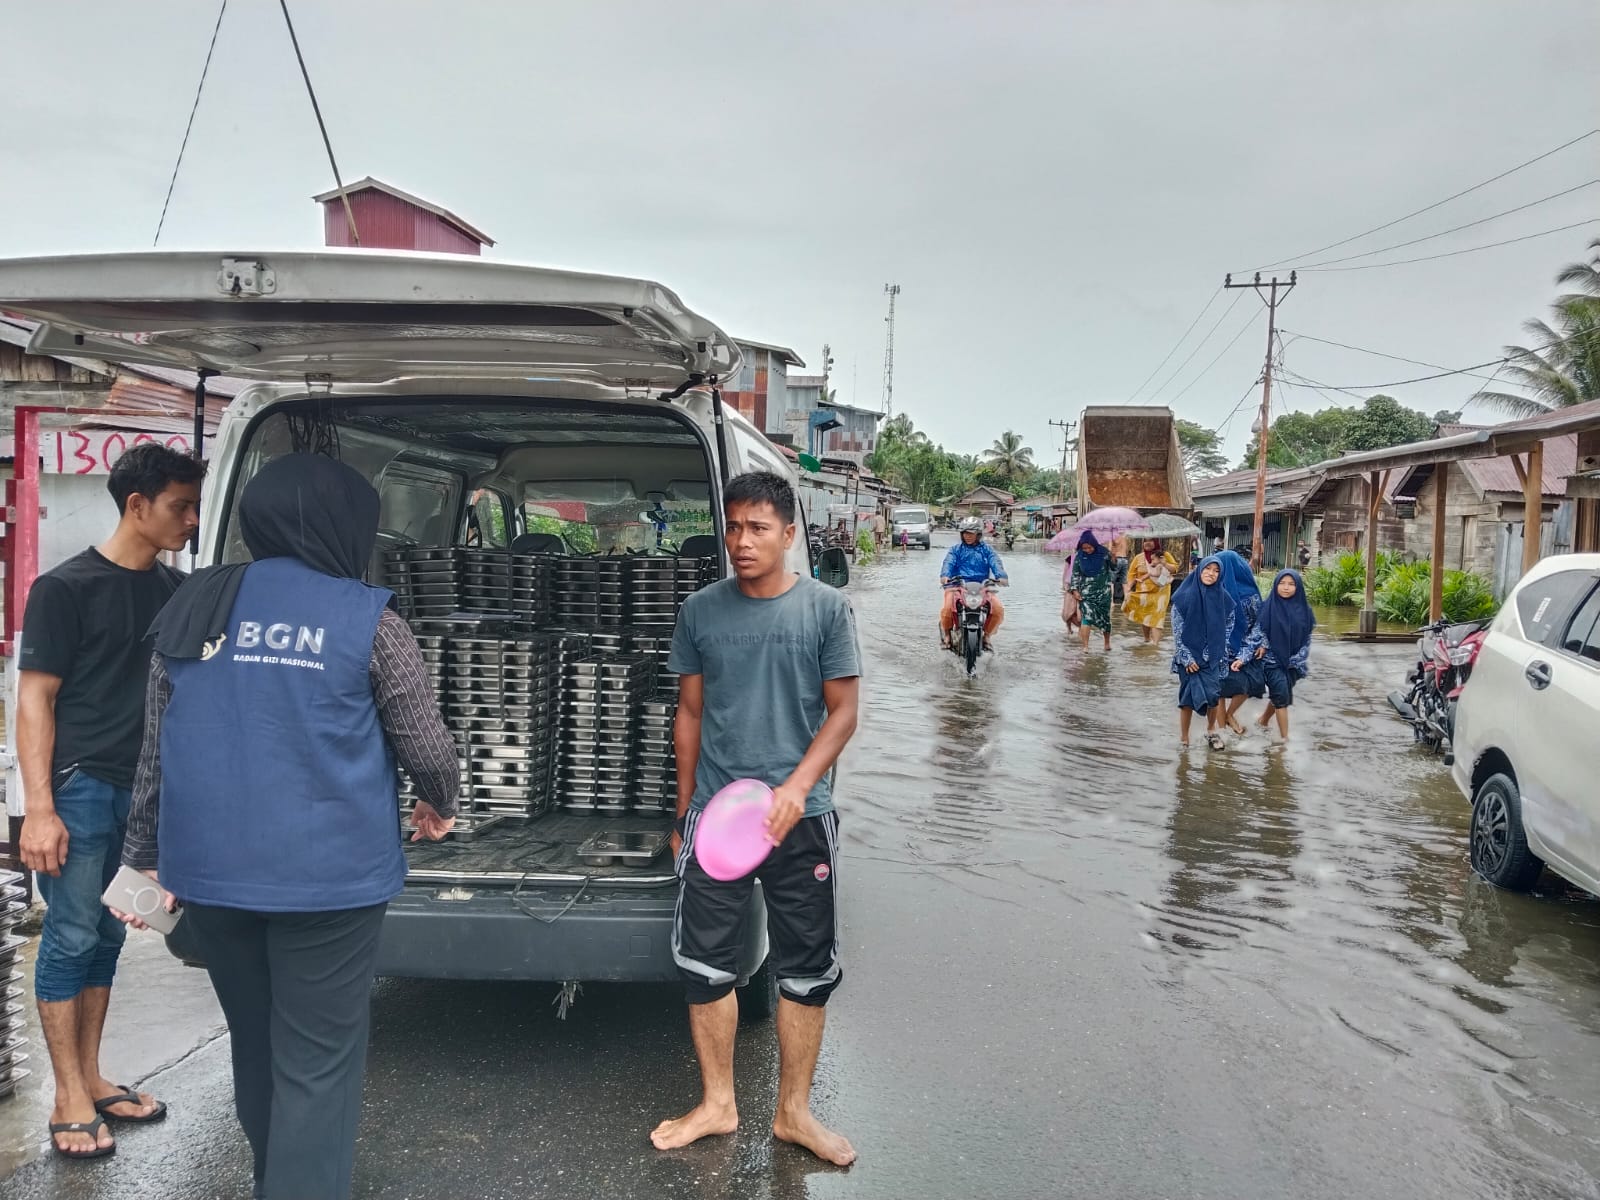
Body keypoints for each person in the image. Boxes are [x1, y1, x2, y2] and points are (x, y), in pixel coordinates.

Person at [116, 454, 459, 1200]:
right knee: (318, 1063)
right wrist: (441, 798)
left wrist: (141, 856)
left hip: (211, 875)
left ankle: (276, 1178)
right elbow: (425, 742)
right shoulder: (368, 617)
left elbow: (156, 746)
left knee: (259, 1046)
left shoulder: (195, 604)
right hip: (328, 883)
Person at [654, 470, 861, 1166]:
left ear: (790, 534)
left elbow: (844, 712)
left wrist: (801, 784)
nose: (742, 542)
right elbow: (689, 713)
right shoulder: (700, 612)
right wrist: (684, 810)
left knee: (804, 969)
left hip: (800, 822)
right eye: (733, 528)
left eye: (759, 529)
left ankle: (794, 1113)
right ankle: (717, 1103)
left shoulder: (826, 611)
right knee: (705, 966)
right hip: (719, 819)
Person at [17, 443, 203, 1160]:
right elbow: (35, 698)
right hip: (80, 785)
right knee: (68, 934)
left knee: (110, 934)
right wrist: (39, 808)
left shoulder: (173, 592)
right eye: (179, 506)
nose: (190, 520)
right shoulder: (65, 588)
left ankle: (91, 1076)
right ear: (137, 505)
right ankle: (67, 1095)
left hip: (145, 793)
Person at [1237, 569, 1315, 740]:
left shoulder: (1305, 611)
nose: (1286, 588)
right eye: (1282, 583)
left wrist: (1297, 659)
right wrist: (1243, 657)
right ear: (1276, 585)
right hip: (1272, 661)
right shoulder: (1267, 608)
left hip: (1294, 663)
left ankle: (1263, 721)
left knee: (1282, 693)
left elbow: (1306, 640)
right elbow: (1257, 633)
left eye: (1291, 584)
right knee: (1281, 698)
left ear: (1298, 587)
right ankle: (1284, 743)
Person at [1170, 555, 1234, 750]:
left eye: (1216, 571)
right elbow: (1177, 631)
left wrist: (1217, 648)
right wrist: (1187, 658)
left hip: (1213, 656)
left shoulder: (1224, 598)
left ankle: (1211, 730)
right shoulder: (1183, 597)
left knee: (1214, 696)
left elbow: (1229, 623)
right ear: (1199, 570)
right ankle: (1184, 736)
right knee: (1187, 698)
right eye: (1207, 569)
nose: (1211, 574)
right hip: (1188, 656)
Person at [939, 517, 1008, 649]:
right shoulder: (955, 550)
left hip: (982, 586)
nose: (967, 536)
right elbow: (948, 562)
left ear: (978, 534)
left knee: (998, 610)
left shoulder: (987, 550)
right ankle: (947, 635)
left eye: (971, 533)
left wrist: (1001, 576)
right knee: (947, 609)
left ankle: (987, 636)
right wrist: (945, 576)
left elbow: (995, 562)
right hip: (957, 585)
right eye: (965, 533)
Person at [1215, 551, 1264, 735]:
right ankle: (1223, 728)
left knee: (1244, 686)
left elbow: (1260, 624)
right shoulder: (1216, 592)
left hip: (1241, 649)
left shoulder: (1248, 595)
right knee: (1223, 690)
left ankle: (1228, 718)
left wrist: (1246, 652)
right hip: (1226, 650)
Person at [1123, 537, 1178, 644]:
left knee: (1158, 617)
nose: (1147, 543)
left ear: (1156, 542)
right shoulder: (1138, 558)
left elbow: (1175, 569)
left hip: (1161, 592)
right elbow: (1131, 575)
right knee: (1146, 617)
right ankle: (1147, 640)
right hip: (1143, 593)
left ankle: (1155, 645)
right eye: (1145, 541)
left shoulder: (1164, 555)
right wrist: (1128, 589)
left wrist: (1164, 563)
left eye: (1150, 541)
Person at [1067, 530, 1114, 651]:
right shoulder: (1079, 556)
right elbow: (1075, 575)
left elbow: (1114, 568)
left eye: (1089, 547)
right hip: (1086, 593)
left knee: (1105, 619)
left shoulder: (1104, 553)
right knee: (1086, 618)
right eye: (1085, 548)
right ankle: (1086, 646)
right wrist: (1075, 590)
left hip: (1103, 592)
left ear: (1094, 543)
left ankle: (1107, 643)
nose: (1087, 550)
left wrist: (1114, 558)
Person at [1059, 553, 1081, 634]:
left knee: (1077, 612)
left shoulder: (1071, 558)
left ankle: (1077, 629)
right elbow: (1065, 572)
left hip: (1080, 588)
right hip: (1071, 588)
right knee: (1069, 611)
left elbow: (1065, 573)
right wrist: (1064, 585)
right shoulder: (1070, 558)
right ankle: (1069, 628)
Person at [1109, 533, 1131, 606]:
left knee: (1111, 582)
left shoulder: (1113, 535)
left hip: (1116, 559)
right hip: (1124, 559)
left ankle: (1112, 602)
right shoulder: (1126, 536)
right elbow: (1127, 549)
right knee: (1124, 582)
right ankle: (1127, 601)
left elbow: (1110, 550)